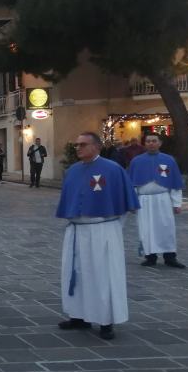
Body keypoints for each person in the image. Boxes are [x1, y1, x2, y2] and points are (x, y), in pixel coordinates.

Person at [56, 132, 139, 340]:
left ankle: (105, 320)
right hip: (76, 230)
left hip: (103, 230)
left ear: (97, 147)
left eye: (83, 145)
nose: (78, 148)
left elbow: (125, 205)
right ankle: (79, 315)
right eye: (76, 145)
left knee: (103, 275)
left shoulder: (113, 170)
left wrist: (111, 229)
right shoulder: (72, 171)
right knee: (76, 273)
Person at [128, 133, 185, 268]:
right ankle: (150, 256)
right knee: (146, 228)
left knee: (167, 227)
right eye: (148, 141)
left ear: (160, 143)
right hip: (144, 201)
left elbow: (175, 183)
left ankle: (170, 257)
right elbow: (132, 184)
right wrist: (133, 202)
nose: (151, 143)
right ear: (144, 144)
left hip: (163, 199)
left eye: (154, 141)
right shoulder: (136, 161)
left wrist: (176, 203)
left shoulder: (169, 160)